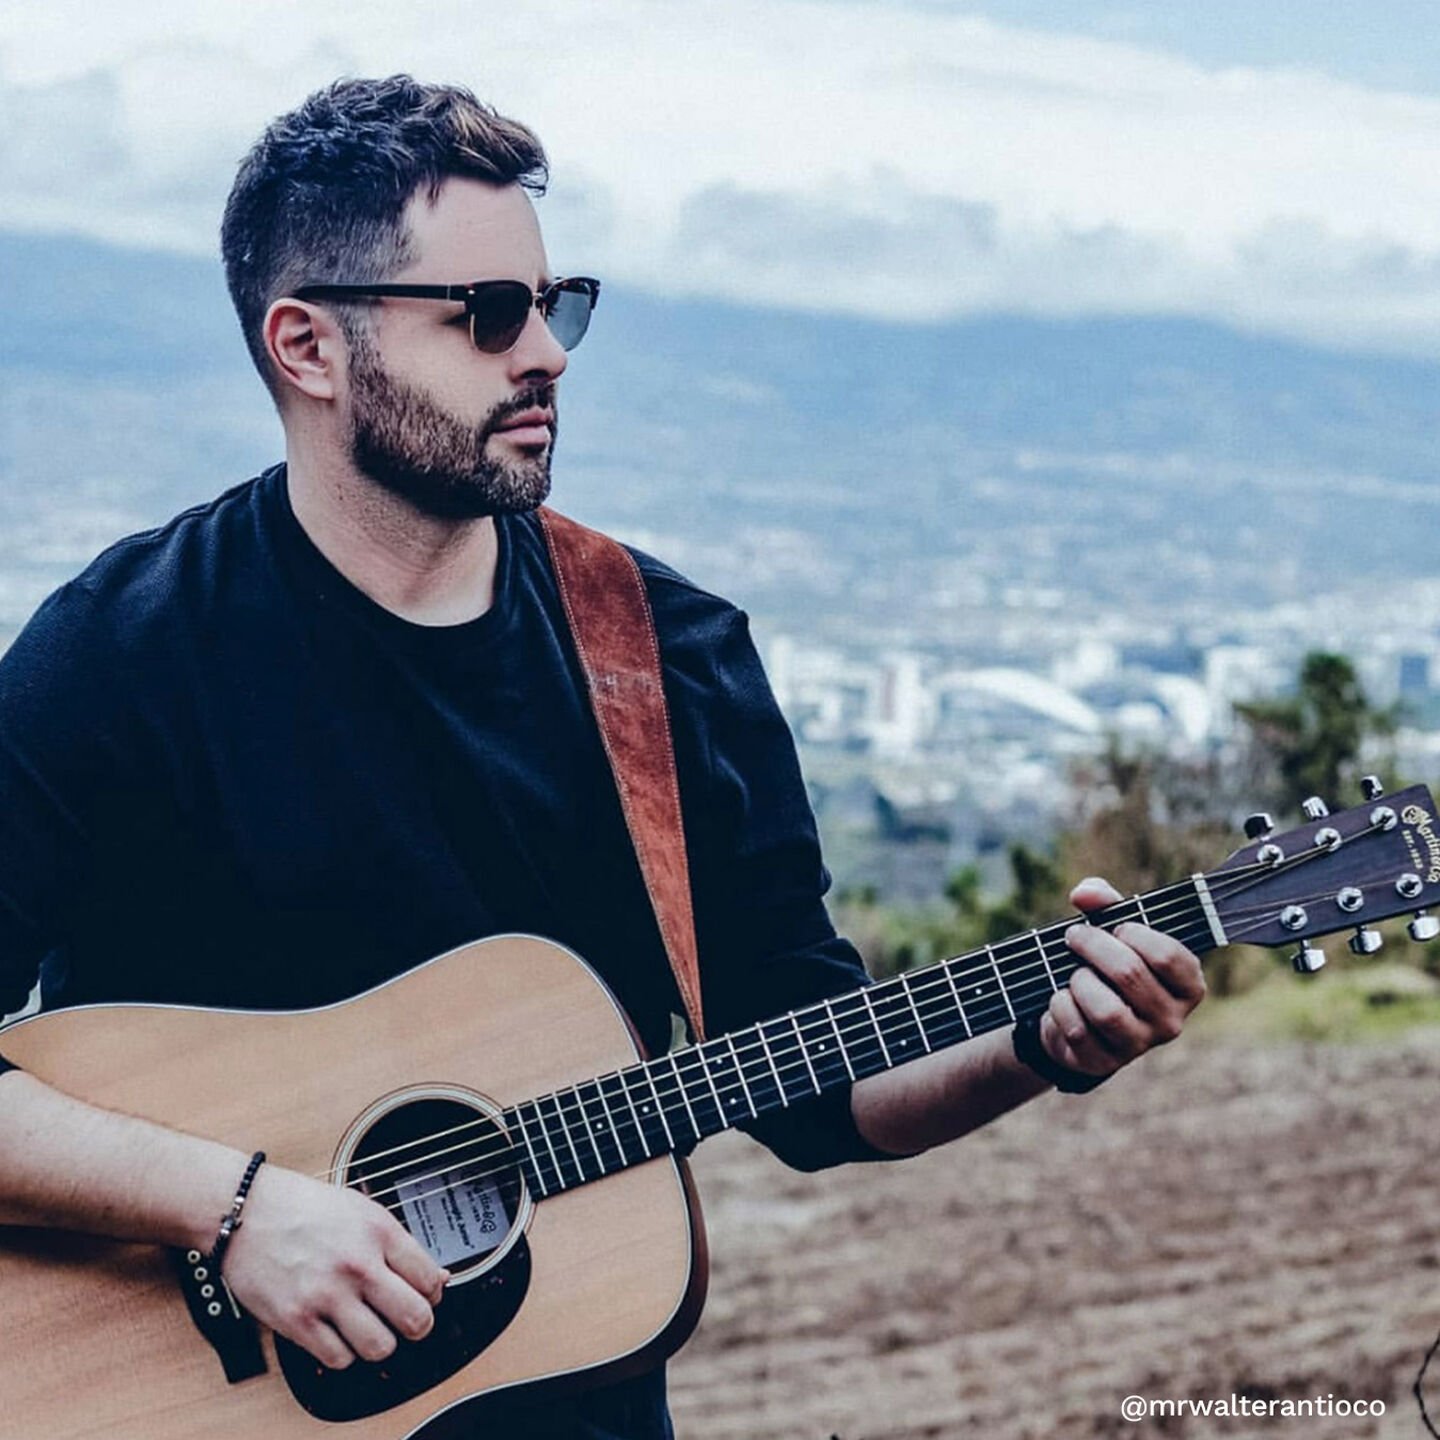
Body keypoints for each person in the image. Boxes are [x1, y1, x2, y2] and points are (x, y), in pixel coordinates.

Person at [0, 76, 1205, 1438]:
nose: (549, 356)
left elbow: (814, 1089)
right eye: (489, 315)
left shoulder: (665, 656)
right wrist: (232, 1209)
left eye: (554, 303)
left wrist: (1041, 1043)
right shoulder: (121, 657)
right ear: (307, 347)